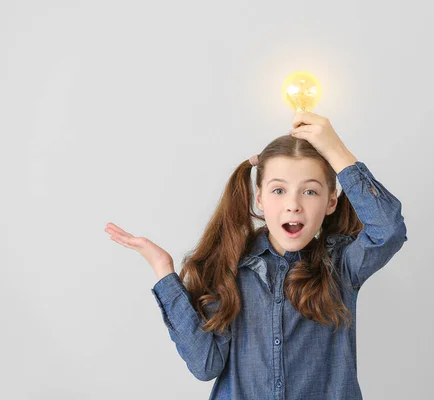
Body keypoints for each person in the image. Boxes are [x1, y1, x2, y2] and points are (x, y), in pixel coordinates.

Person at [104, 111, 408, 399]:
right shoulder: (229, 268)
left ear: (331, 201)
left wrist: (336, 151)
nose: (293, 205)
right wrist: (163, 270)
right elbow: (205, 364)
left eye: (310, 191)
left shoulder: (341, 266)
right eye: (279, 190)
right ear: (260, 198)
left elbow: (388, 230)